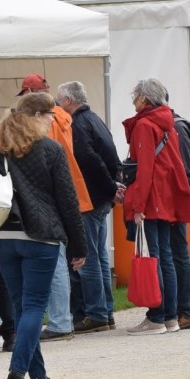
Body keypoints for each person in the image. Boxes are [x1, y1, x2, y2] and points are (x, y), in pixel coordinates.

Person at [0, 92, 87, 379]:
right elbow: (68, 201)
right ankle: (17, 375)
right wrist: (78, 245)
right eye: (50, 116)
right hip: (40, 236)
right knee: (33, 308)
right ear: (39, 116)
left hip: (2, 235)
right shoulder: (50, 150)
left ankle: (40, 378)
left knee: (22, 306)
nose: (53, 121)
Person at [17, 74, 91, 340]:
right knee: (59, 262)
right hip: (62, 195)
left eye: (25, 93)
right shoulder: (64, 118)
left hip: (43, 202)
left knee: (56, 265)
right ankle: (63, 318)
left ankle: (60, 320)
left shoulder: (45, 127)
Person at [123, 78, 190, 335]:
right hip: (166, 198)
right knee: (165, 257)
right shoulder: (167, 122)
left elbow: (145, 169)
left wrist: (138, 205)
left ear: (144, 99)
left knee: (153, 258)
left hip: (151, 198)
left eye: (135, 96)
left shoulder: (144, 125)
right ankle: (170, 317)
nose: (133, 101)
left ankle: (157, 316)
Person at [56, 80, 119, 334]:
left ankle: (95, 314)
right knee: (100, 257)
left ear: (69, 101)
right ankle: (106, 311)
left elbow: (88, 160)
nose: (58, 106)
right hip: (101, 198)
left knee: (87, 257)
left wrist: (108, 188)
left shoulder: (77, 125)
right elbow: (111, 154)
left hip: (89, 198)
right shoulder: (94, 119)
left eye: (60, 101)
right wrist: (113, 187)